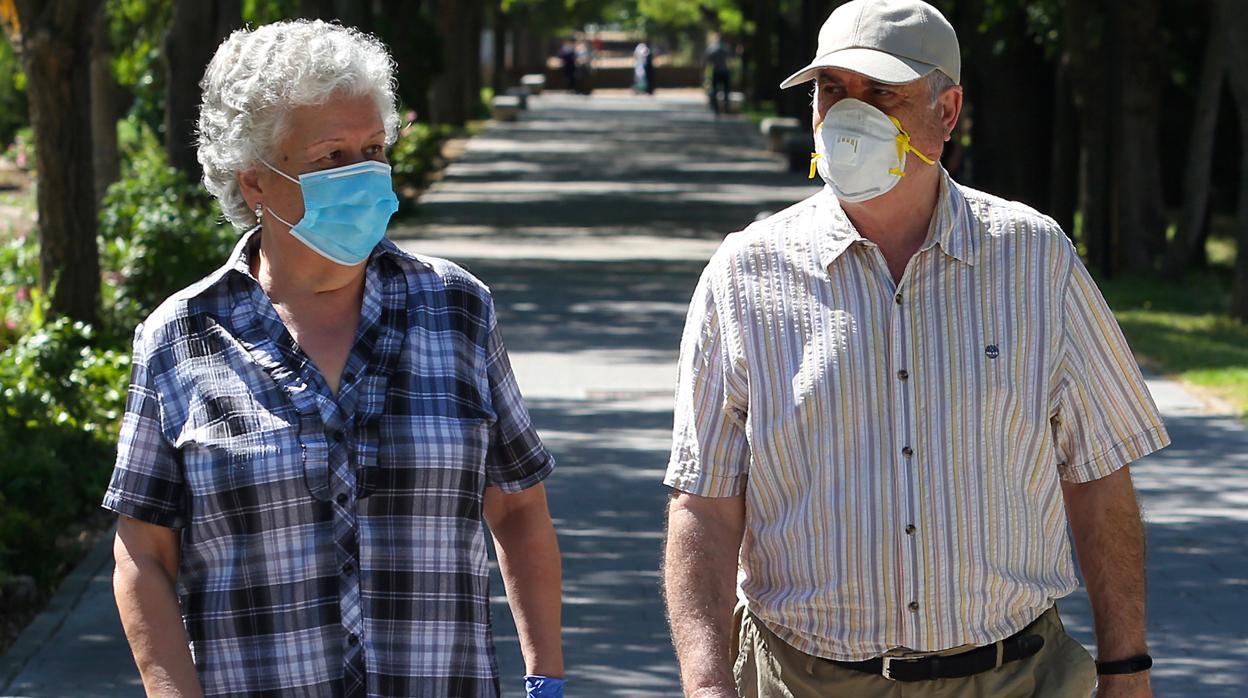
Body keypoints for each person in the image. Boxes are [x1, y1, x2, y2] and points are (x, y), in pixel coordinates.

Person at [661, 1, 1166, 697]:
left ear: (948, 110)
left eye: (881, 93)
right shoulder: (746, 273)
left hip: (1012, 678)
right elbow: (704, 502)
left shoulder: (1034, 259)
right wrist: (706, 684)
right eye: (832, 89)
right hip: (802, 681)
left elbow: (1099, 474)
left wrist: (1126, 667)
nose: (848, 114)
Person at [104, 20, 564, 698]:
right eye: (331, 156)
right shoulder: (181, 338)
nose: (363, 173)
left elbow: (519, 506)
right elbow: (143, 551)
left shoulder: (457, 309)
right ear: (255, 181)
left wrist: (545, 679)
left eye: (373, 148)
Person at [706, 34, 732, 115]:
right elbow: (730, 59)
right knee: (726, 91)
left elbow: (708, 62)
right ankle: (726, 107)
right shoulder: (726, 48)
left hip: (716, 71)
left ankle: (716, 109)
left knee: (714, 90)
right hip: (725, 71)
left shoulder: (711, 49)